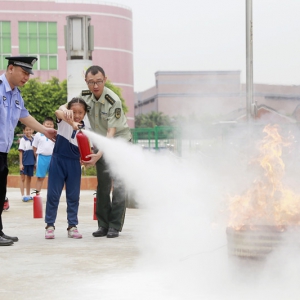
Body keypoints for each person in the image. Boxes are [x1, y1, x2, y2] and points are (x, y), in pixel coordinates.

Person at [60, 65, 131, 238]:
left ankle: (115, 225)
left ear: (105, 79)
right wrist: (65, 111)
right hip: (101, 142)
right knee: (103, 185)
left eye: (99, 81)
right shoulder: (84, 97)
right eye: (91, 82)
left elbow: (111, 133)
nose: (95, 86)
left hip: (118, 142)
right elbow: (64, 108)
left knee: (120, 185)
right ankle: (103, 225)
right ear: (86, 82)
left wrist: (98, 155)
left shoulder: (113, 100)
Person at [0, 56, 57, 246]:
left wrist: (45, 130)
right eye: (24, 72)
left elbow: (24, 116)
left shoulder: (16, 95)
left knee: (0, 192)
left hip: (2, 151)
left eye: (28, 74)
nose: (27, 77)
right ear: (10, 69)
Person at [45, 97, 88, 239]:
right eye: (74, 111)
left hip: (74, 164)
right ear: (69, 110)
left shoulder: (86, 128)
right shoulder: (63, 120)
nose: (77, 115)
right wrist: (71, 120)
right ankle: (50, 225)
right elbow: (58, 112)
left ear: (85, 113)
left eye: (80, 112)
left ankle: (72, 226)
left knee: (73, 196)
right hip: (58, 160)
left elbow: (86, 148)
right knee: (53, 194)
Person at [32, 116, 55, 196]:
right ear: (43, 124)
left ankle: (52, 194)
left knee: (53, 177)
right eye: (47, 124)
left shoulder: (55, 134)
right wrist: (37, 157)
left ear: (53, 126)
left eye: (51, 124)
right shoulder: (38, 134)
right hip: (41, 157)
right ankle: (37, 194)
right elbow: (34, 147)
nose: (49, 125)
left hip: (52, 158)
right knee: (40, 177)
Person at [18, 124, 35, 202]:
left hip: (31, 162)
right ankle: (22, 195)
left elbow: (35, 152)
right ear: (24, 131)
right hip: (24, 162)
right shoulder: (23, 140)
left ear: (33, 130)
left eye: (30, 129)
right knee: (22, 178)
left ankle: (28, 195)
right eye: (27, 130)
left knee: (29, 178)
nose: (29, 131)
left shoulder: (34, 139)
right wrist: (21, 164)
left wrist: (35, 163)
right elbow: (21, 152)